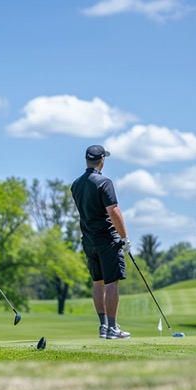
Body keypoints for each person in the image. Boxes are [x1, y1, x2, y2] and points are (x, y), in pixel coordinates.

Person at [71, 145, 132, 340]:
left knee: (97, 283)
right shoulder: (104, 182)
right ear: (102, 160)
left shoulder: (76, 184)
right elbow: (113, 212)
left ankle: (104, 327)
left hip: (88, 240)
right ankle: (113, 328)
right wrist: (125, 238)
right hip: (107, 239)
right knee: (111, 283)